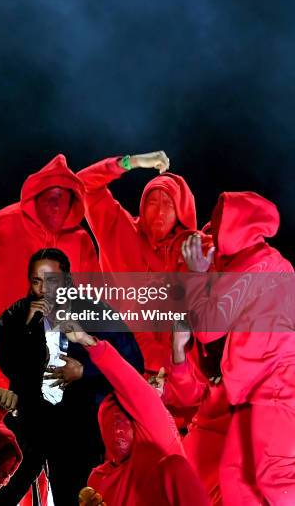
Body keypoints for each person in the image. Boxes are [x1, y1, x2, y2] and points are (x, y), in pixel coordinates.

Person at [0, 248, 144, 506]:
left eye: (52, 280)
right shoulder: (20, 314)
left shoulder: (95, 311)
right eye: (37, 281)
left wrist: (85, 371)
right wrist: (27, 327)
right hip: (34, 419)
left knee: (76, 493)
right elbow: (8, 362)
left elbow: (133, 363)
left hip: (81, 424)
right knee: (12, 484)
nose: (44, 289)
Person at [183, 191, 295, 505]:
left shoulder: (258, 265)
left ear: (237, 227)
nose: (214, 234)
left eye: (219, 226)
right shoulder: (261, 262)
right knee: (236, 479)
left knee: (277, 479)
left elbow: (206, 329)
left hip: (276, 386)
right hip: (253, 391)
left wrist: (196, 273)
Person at [0, 154, 100, 406]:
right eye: (51, 197)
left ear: (74, 200)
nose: (57, 206)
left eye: (64, 198)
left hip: (48, 360)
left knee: (39, 436)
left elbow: (92, 300)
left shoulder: (80, 241)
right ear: (36, 195)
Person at [77, 151, 201, 376]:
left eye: (169, 203)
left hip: (181, 376)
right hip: (124, 366)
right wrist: (130, 162)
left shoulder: (193, 250)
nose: (160, 211)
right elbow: (82, 185)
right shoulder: (122, 232)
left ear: (182, 210)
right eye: (153, 201)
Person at [63, 325, 210, 506]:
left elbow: (130, 384)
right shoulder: (100, 480)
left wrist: (89, 342)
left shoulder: (161, 446)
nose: (117, 431)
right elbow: (129, 382)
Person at [161, 325, 230, 504]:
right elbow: (188, 397)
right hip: (208, 436)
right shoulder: (196, 332)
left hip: (255, 429)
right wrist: (178, 347)